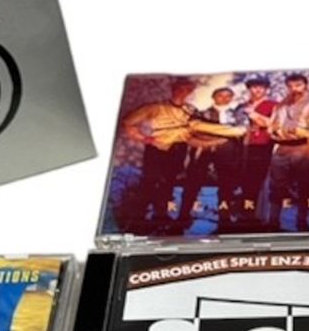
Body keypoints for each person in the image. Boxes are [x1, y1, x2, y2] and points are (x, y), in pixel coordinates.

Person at [118, 78, 199, 233]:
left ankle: (161, 217)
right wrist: (144, 138)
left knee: (168, 184)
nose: (184, 93)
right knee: (149, 183)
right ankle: (137, 220)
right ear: (174, 89)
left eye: (188, 90)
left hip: (178, 150)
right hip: (157, 149)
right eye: (181, 89)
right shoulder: (156, 107)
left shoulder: (191, 110)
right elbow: (128, 121)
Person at [263, 74, 309, 231]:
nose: (294, 89)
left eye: (298, 85)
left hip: (304, 148)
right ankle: (273, 221)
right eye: (290, 86)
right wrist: (273, 131)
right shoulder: (281, 105)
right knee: (276, 186)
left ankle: (302, 220)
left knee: (305, 185)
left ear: (306, 85)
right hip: (281, 149)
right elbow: (272, 125)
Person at [183, 87, 248, 228]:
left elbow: (241, 131)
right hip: (204, 149)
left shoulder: (237, 114)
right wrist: (223, 135)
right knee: (193, 182)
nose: (224, 98)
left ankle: (224, 219)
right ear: (213, 97)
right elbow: (194, 129)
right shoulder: (202, 113)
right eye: (220, 95)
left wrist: (209, 129)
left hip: (228, 153)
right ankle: (183, 215)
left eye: (228, 96)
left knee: (226, 185)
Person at [237, 76, 277, 228]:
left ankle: (258, 217)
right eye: (254, 87)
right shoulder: (242, 106)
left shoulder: (273, 105)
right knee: (244, 182)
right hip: (242, 147)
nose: (257, 90)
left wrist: (254, 116)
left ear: (266, 89)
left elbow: (274, 124)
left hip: (262, 146)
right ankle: (245, 214)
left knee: (258, 181)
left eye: (261, 87)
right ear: (249, 89)